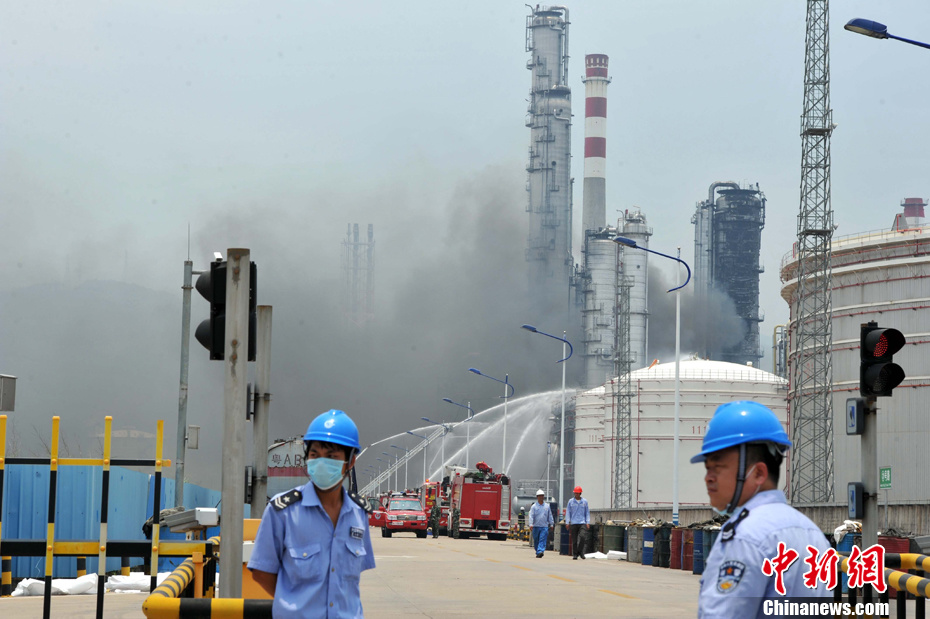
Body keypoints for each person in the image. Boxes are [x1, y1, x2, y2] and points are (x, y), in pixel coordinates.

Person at [692, 401, 831, 618]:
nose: (708, 477)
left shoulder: (745, 536)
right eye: (707, 468)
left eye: (717, 467)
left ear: (758, 473)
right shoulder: (812, 533)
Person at [248, 409, 375, 618]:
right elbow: (262, 572)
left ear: (350, 462)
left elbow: (353, 578)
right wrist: (295, 604)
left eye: (332, 456)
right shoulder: (283, 512)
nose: (321, 462)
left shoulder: (359, 514)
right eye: (315, 455)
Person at [566, 485, 590, 560]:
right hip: (573, 523)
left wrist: (588, 522)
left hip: (582, 522)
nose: (576, 494)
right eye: (575, 493)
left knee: (583, 537)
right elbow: (568, 512)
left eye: (578, 493)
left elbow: (587, 512)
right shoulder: (571, 502)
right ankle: (575, 554)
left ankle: (580, 552)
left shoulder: (584, 502)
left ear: (580, 493)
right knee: (574, 540)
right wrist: (567, 522)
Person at [528, 489, 553, 558]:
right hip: (536, 526)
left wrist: (551, 524)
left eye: (542, 496)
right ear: (537, 497)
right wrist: (531, 524)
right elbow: (531, 516)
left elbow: (549, 515)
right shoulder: (534, 507)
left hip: (544, 526)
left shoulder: (547, 506)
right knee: (536, 540)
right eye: (539, 496)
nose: (541, 497)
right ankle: (537, 551)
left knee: (542, 539)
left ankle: (540, 551)